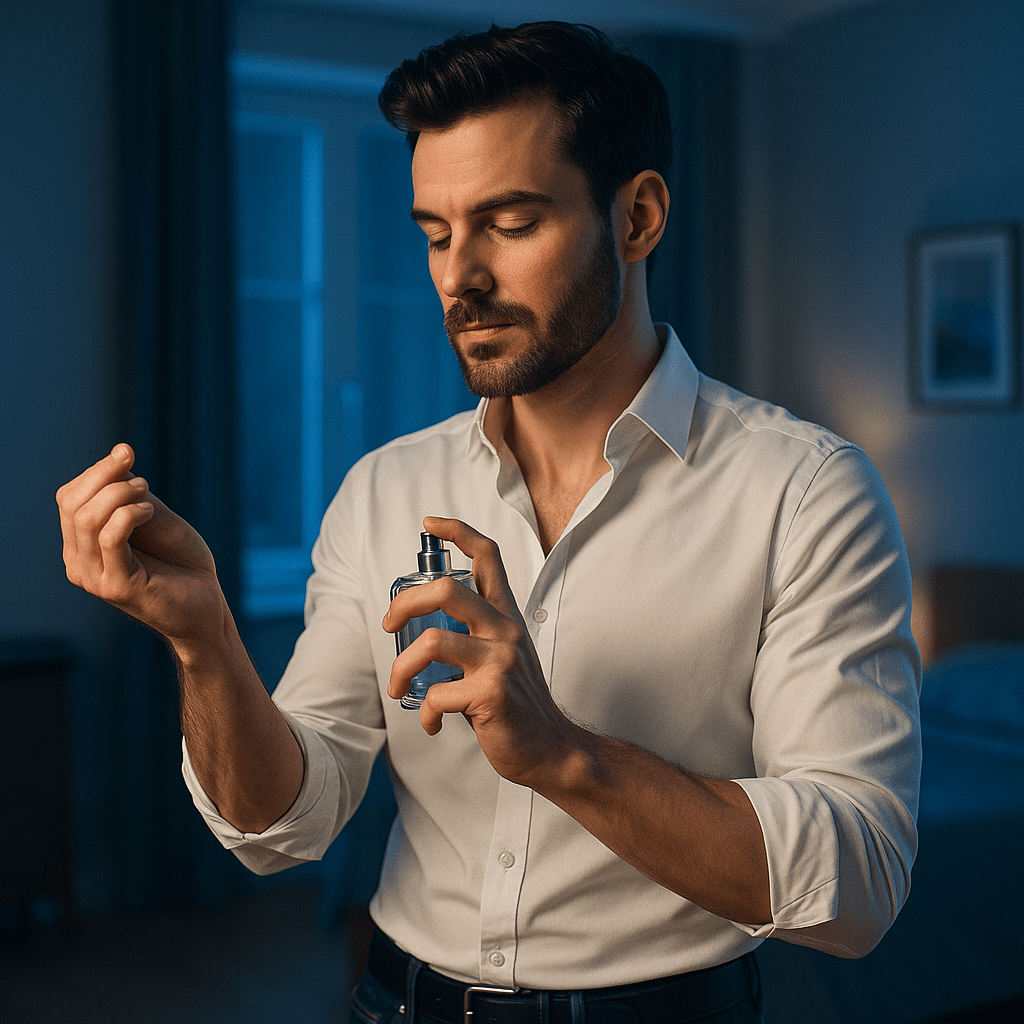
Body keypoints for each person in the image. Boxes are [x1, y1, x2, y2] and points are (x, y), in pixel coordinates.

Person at [56, 21, 921, 1024]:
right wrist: (204, 643)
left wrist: (562, 752)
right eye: (434, 233)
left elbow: (858, 885)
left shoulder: (805, 493)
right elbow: (278, 823)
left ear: (636, 216)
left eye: (509, 223)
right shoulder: (381, 490)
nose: (457, 276)